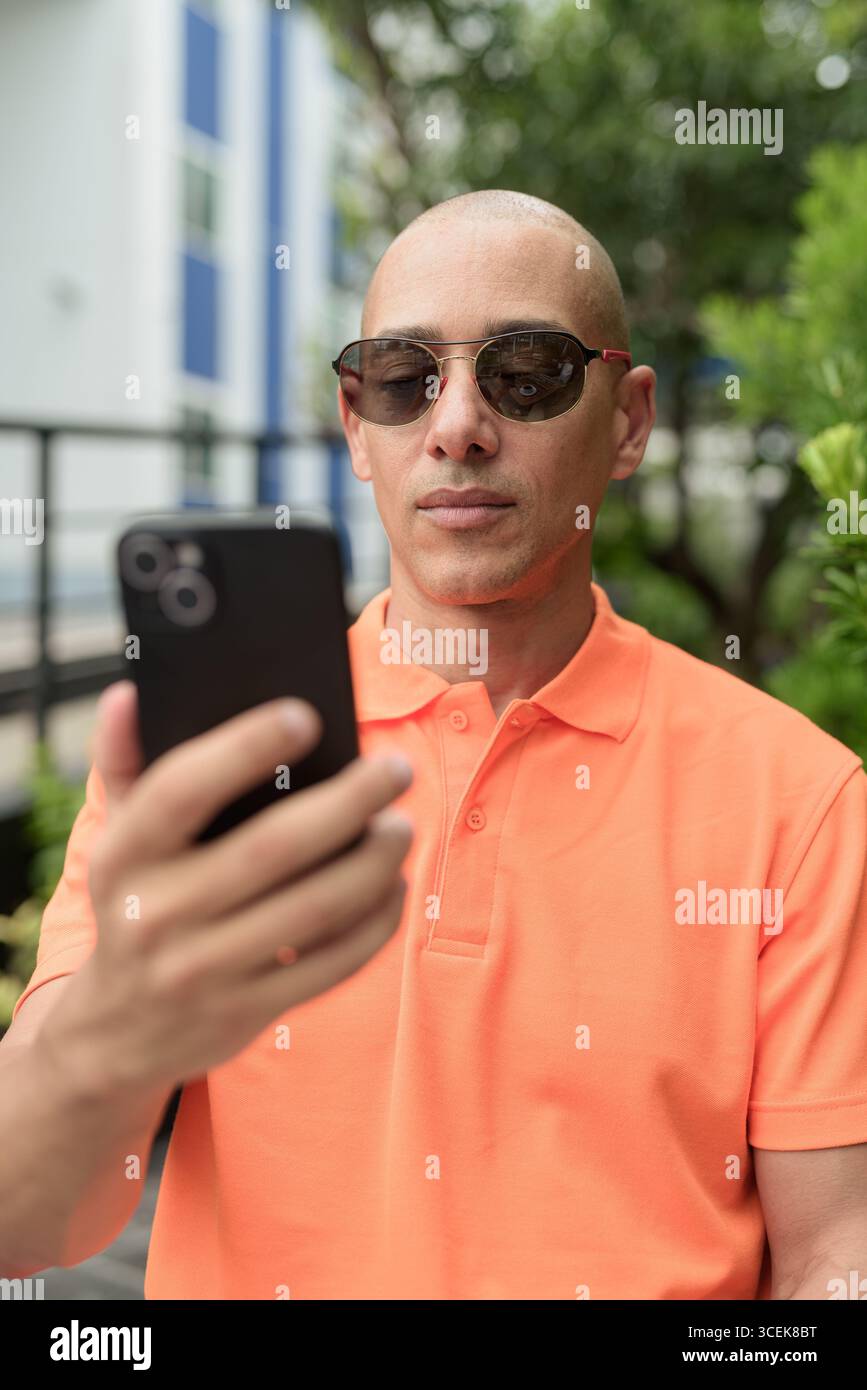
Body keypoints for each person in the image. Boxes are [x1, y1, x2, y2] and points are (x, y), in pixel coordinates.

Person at [2, 190, 866, 1300]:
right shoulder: (209, 766)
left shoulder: (799, 801)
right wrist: (114, 1022)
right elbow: (26, 1225)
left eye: (526, 372)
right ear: (356, 424)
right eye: (404, 377)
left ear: (629, 421)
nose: (456, 425)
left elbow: (834, 1255)